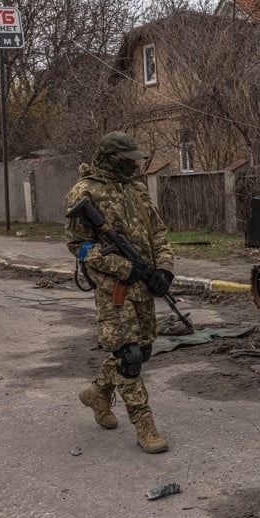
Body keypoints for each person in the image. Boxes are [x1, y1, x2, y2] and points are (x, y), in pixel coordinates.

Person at [65, 131, 175, 454]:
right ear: (112, 158)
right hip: (113, 288)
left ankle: (98, 393)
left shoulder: (137, 189)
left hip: (144, 286)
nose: (134, 166)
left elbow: (157, 231)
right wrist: (124, 268)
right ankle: (144, 424)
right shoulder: (83, 192)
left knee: (144, 350)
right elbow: (79, 247)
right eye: (129, 161)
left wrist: (164, 269)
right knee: (129, 357)